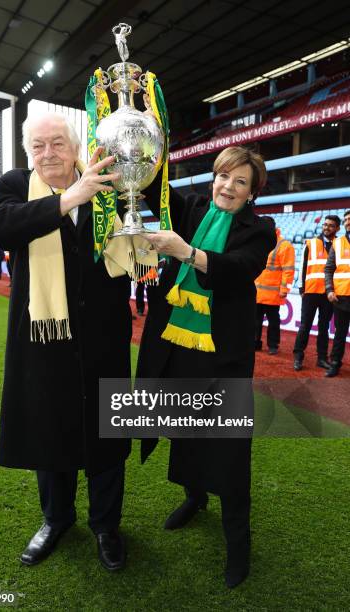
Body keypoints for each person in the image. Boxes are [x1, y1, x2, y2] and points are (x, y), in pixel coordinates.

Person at [0, 112, 132, 571]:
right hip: (43, 337)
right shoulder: (15, 185)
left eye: (57, 144)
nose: (48, 153)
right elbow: (2, 228)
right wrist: (70, 198)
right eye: (38, 146)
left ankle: (106, 525)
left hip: (104, 335)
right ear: (29, 153)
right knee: (50, 429)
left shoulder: (108, 183)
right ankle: (56, 519)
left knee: (106, 434)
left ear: (75, 148)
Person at [137, 146, 276, 588]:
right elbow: (155, 184)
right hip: (177, 348)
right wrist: (137, 138)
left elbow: (238, 268)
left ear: (252, 193)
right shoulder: (193, 206)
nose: (227, 187)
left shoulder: (261, 229)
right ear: (213, 177)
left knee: (230, 450)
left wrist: (187, 252)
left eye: (240, 182)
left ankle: (239, 543)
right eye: (223, 177)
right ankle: (194, 497)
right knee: (184, 431)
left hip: (223, 356)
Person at [293, 216, 340, 371]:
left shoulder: (341, 245)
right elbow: (303, 266)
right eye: (325, 225)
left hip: (329, 293)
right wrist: (301, 288)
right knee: (305, 325)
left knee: (324, 327)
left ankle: (321, 358)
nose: (327, 228)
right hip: (311, 291)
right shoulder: (311, 243)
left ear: (337, 229)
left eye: (331, 226)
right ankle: (298, 357)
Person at [254, 220, 295, 355]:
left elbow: (288, 270)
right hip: (257, 292)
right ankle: (255, 343)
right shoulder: (259, 241)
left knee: (273, 322)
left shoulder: (284, 245)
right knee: (255, 320)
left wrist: (284, 290)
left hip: (273, 294)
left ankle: (273, 345)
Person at [324, 209, 350, 377]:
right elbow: (329, 268)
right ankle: (335, 363)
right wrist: (329, 289)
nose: (348, 222)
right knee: (339, 333)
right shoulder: (338, 243)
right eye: (346, 219)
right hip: (341, 296)